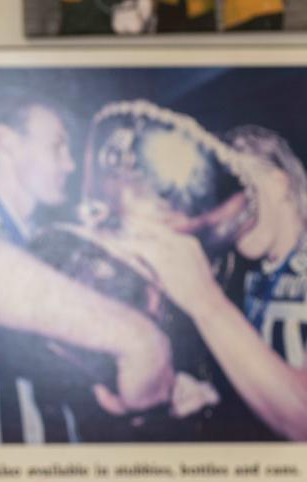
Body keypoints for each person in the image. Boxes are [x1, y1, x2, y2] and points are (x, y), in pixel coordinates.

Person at [0, 99, 174, 443]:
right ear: (7, 142)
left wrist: (164, 385)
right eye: (58, 145)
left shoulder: (47, 240)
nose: (71, 164)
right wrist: (139, 339)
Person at [125, 125, 307, 440]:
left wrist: (206, 302)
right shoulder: (256, 279)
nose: (227, 211)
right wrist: (216, 396)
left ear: (278, 184)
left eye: (241, 188)